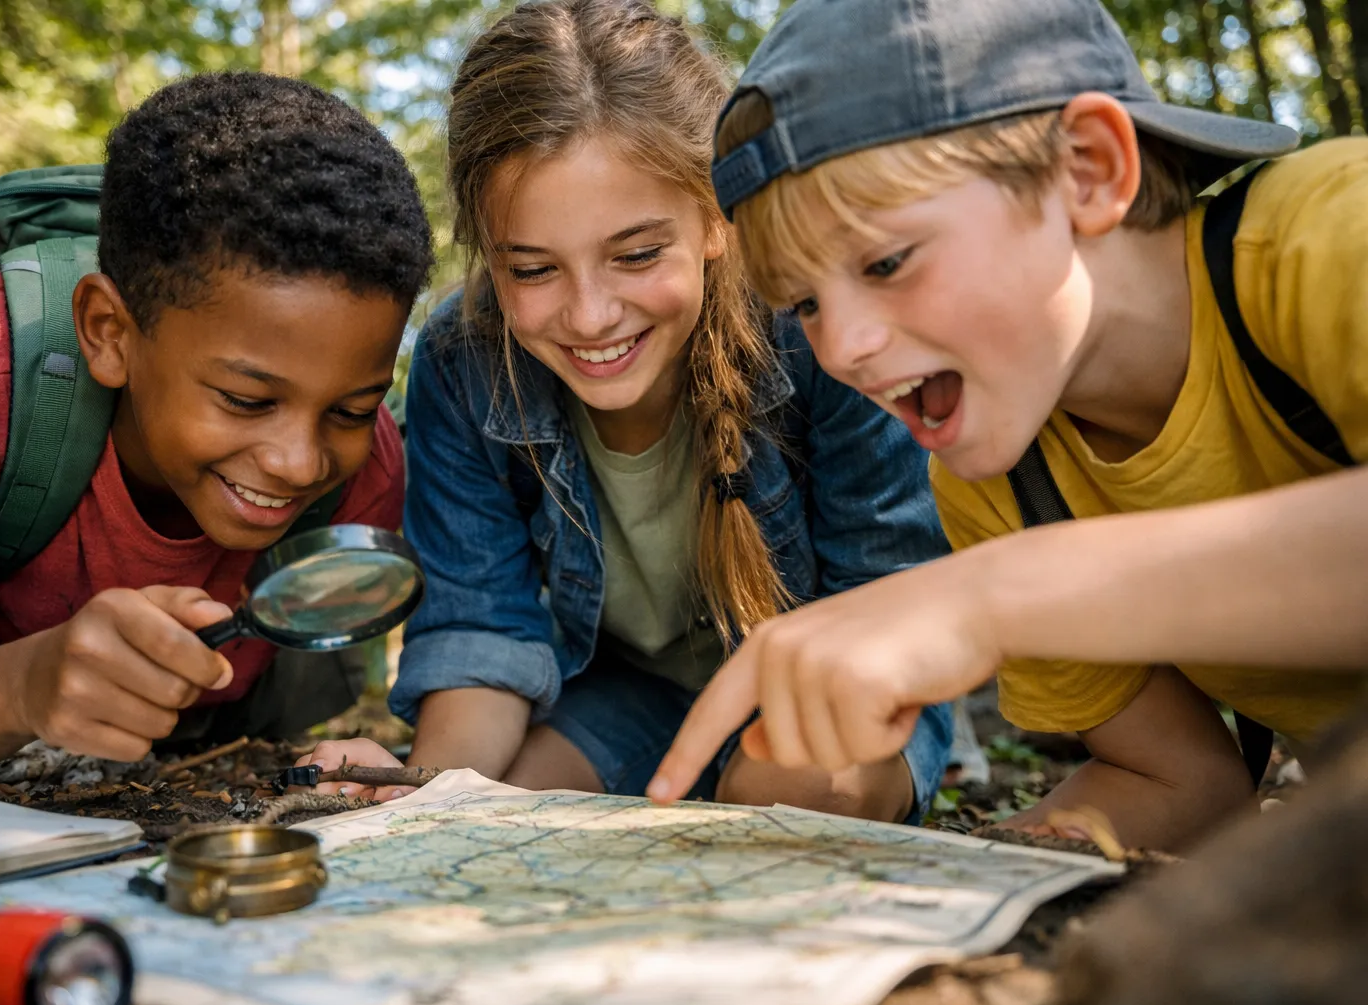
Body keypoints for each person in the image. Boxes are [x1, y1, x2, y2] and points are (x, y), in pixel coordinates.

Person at [649, 0, 1368, 852]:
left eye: (887, 261)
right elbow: (1179, 780)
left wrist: (989, 598)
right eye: (805, 303)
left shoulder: (1329, 235)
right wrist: (947, 878)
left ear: (1090, 170)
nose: (842, 346)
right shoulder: (1001, 477)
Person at [303, 0, 953, 823]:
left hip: (841, 686)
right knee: (498, 810)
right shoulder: (464, 359)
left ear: (716, 217)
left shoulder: (817, 328)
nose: (590, 316)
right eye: (534, 270)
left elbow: (888, 596)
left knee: (778, 798)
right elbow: (481, 632)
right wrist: (423, 788)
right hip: (628, 695)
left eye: (637, 255)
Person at [0, 72, 434, 787]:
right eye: (246, 399)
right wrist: (23, 688)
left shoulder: (367, 472)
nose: (300, 464)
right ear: (109, 332)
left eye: (352, 409)